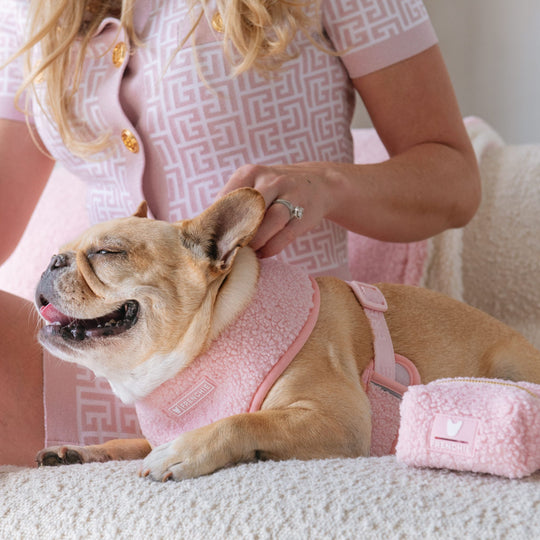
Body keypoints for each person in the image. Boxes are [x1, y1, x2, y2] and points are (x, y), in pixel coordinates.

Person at [0, 0, 480, 466]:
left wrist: (328, 185)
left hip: (280, 374)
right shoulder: (28, 10)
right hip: (102, 375)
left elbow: (455, 181)